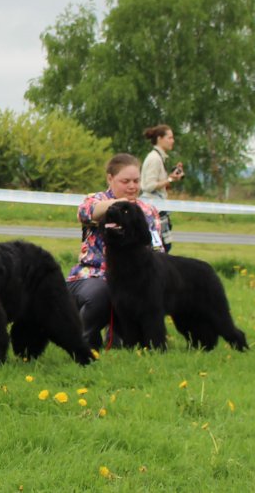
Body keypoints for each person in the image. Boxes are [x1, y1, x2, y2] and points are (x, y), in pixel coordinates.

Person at [66, 153, 164, 350]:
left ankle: (132, 341)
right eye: (125, 181)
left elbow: (156, 249)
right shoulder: (95, 200)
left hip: (133, 277)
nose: (132, 186)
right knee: (103, 293)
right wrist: (121, 205)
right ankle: (83, 340)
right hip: (93, 275)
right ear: (110, 179)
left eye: (136, 181)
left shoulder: (148, 210)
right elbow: (86, 213)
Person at [140, 124, 184, 253]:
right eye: (169, 138)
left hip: (157, 208)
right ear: (160, 138)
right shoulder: (155, 159)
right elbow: (148, 185)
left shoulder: (158, 157)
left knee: (161, 247)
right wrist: (170, 179)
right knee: (160, 247)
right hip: (154, 210)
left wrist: (169, 178)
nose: (172, 141)